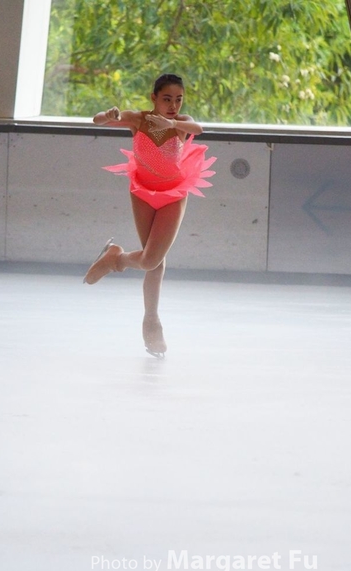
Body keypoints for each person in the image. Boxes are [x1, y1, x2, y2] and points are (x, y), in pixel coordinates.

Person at [83, 73, 216, 358]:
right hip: (142, 192)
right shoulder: (138, 119)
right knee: (152, 261)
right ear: (153, 97)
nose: (173, 105)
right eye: (167, 99)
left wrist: (173, 124)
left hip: (173, 194)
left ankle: (117, 259)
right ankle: (152, 323)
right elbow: (97, 120)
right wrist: (108, 115)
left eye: (178, 99)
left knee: (152, 259)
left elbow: (199, 128)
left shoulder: (181, 123)